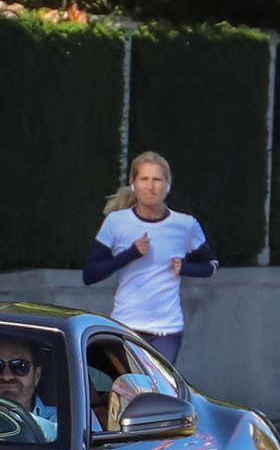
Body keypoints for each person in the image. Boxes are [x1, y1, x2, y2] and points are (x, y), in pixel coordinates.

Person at [83, 151, 215, 364]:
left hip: (166, 330)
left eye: (157, 180)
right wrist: (131, 254)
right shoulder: (116, 222)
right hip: (125, 326)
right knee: (128, 392)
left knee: (156, 392)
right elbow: (89, 274)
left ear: (168, 184)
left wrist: (186, 268)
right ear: (133, 183)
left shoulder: (185, 224)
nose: (150, 186)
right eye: (144, 179)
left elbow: (212, 265)